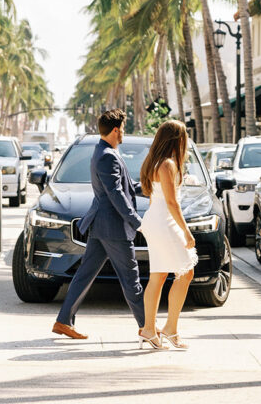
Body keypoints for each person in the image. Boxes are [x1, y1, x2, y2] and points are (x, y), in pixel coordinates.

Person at [52, 108, 146, 342]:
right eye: (123, 128)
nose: (124, 132)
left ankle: (63, 321)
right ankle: (148, 327)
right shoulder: (106, 155)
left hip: (101, 226)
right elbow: (116, 195)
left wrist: (152, 187)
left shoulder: (106, 152)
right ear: (115, 130)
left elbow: (127, 186)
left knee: (85, 274)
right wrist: (136, 221)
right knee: (131, 279)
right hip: (113, 228)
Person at [138, 120, 197, 350]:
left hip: (155, 219)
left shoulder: (154, 162)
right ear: (177, 140)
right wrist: (187, 231)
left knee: (159, 276)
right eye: (184, 137)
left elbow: (156, 199)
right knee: (185, 272)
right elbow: (172, 203)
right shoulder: (168, 164)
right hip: (164, 221)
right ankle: (168, 328)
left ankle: (150, 330)